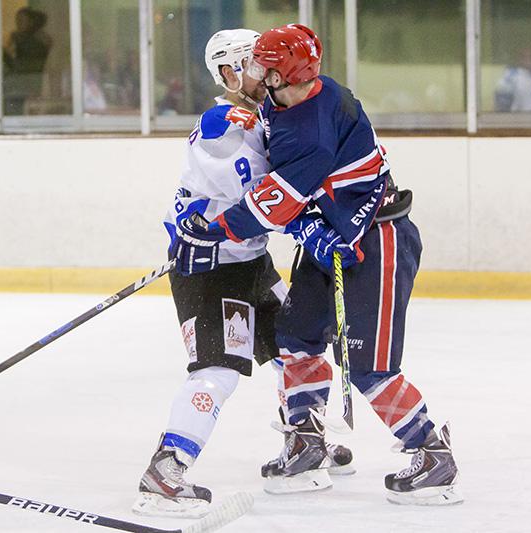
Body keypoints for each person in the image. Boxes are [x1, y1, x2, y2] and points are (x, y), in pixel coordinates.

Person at [172, 24, 462, 505]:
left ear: (282, 75)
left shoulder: (312, 133)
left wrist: (215, 229)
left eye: (264, 67)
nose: (256, 74)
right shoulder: (287, 99)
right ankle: (306, 442)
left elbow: (273, 204)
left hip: (375, 243)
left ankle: (432, 452)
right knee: (294, 338)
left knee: (368, 367)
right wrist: (309, 225)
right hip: (331, 236)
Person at [133, 29, 353, 519]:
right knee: (218, 371)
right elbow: (261, 193)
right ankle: (166, 470)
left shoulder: (267, 113)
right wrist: (306, 222)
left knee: (293, 348)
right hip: (211, 267)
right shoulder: (223, 121)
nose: (265, 73)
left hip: (250, 262)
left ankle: (304, 440)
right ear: (230, 74)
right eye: (253, 65)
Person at [3, 7, 52, 115]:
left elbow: (19, 64)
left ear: (31, 22)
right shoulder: (18, 37)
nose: (18, 24)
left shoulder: (39, 40)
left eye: (21, 20)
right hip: (21, 81)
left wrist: (4, 53)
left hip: (28, 81)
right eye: (17, 20)